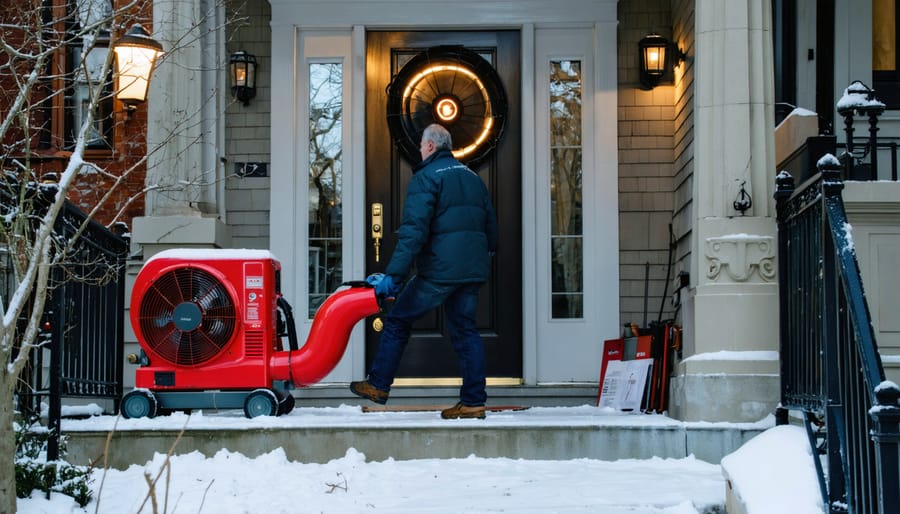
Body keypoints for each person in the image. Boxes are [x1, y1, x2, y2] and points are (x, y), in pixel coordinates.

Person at [350, 123, 498, 419]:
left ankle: (378, 385)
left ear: (430, 146)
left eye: (421, 145)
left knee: (398, 319)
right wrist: (481, 260)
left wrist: (394, 276)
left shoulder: (426, 177)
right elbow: (491, 228)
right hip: (471, 270)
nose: (420, 150)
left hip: (439, 272)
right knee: (466, 331)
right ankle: (473, 402)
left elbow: (413, 232)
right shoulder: (473, 177)